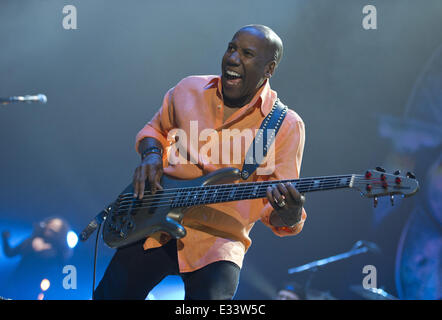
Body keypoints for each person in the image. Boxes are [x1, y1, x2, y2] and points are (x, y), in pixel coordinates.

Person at [94, 24, 307, 300]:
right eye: (231, 48)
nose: (232, 58)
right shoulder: (189, 88)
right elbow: (154, 130)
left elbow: (276, 208)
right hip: (153, 220)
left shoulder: (284, 125)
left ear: (269, 69)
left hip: (218, 242)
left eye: (246, 54)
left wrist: (289, 215)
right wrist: (152, 155)